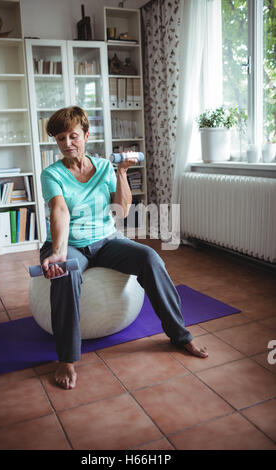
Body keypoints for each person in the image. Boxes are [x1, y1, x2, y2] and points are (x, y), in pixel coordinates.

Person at [40, 106, 208, 390]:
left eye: (73, 136)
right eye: (60, 139)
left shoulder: (104, 167)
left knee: (150, 258)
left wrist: (121, 172)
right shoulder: (51, 174)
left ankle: (180, 336)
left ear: (86, 135)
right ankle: (66, 359)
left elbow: (122, 209)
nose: (67, 144)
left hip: (106, 240)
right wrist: (58, 252)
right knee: (66, 273)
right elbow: (60, 211)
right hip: (68, 244)